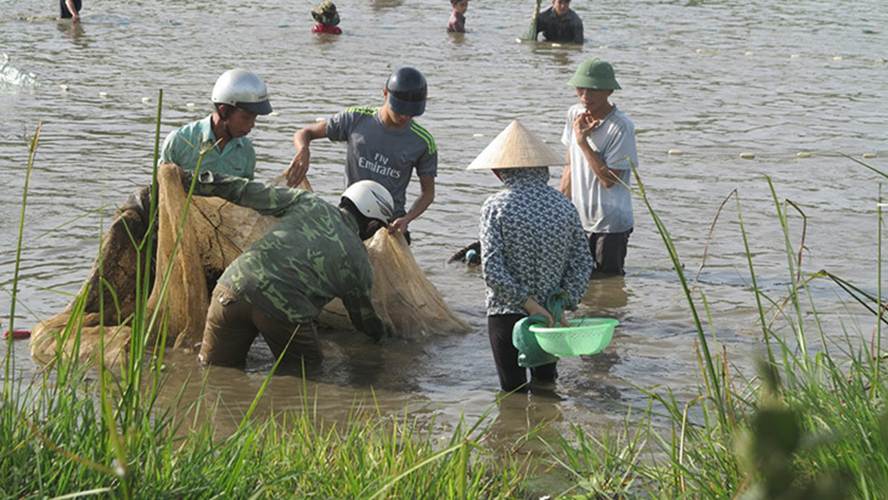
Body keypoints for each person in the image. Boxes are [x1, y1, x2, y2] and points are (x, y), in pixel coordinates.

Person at [182, 170, 395, 368]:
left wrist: (194, 179)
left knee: (214, 371)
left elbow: (246, 191)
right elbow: (362, 317)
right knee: (307, 375)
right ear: (372, 225)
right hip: (282, 309)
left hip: (231, 288)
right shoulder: (359, 260)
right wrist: (386, 337)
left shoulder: (309, 203)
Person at [469, 120, 594, 393]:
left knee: (512, 393)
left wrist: (526, 303)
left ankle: (516, 433)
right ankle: (549, 433)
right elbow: (584, 261)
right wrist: (564, 300)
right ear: (542, 168)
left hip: (508, 313)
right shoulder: (564, 205)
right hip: (551, 314)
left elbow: (492, 269)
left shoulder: (495, 206)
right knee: (546, 385)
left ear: (500, 171)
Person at [285, 66, 437, 243]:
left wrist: (407, 219)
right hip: (352, 212)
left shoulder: (423, 142)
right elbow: (304, 133)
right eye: (400, 110)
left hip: (390, 222)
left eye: (411, 113)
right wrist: (303, 150)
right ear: (385, 93)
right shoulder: (355, 119)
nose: (404, 117)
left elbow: (428, 193)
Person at [559, 59, 637, 276]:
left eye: (593, 90)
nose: (585, 96)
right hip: (578, 218)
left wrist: (583, 142)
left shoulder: (621, 127)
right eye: (580, 89)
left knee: (607, 283)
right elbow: (570, 165)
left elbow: (609, 180)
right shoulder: (574, 114)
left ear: (609, 91)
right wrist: (559, 207)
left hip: (609, 224)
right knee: (577, 280)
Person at [160, 69, 272, 180]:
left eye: (255, 118)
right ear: (224, 111)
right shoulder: (179, 141)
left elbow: (247, 193)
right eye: (246, 117)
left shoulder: (246, 151)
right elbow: (161, 187)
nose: (252, 125)